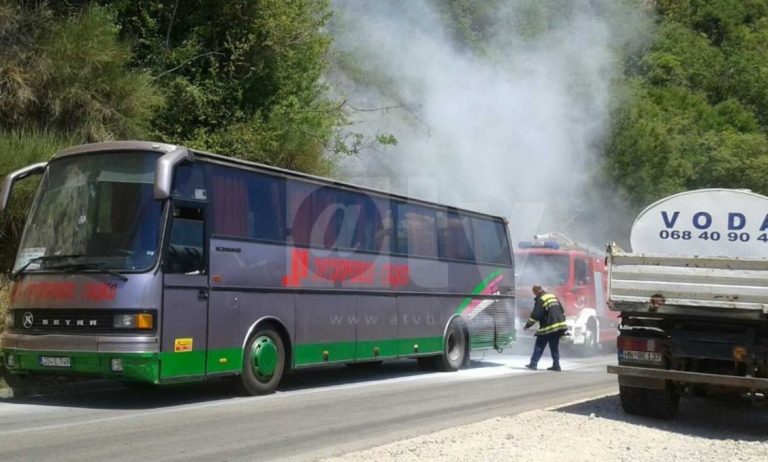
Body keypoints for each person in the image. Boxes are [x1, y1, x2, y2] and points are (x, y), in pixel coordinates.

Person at [524, 285, 568, 371]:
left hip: (548, 326)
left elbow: (535, 315)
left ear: (536, 292)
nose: (534, 295)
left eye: (534, 293)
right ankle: (556, 365)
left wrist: (527, 325)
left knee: (539, 345)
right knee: (554, 347)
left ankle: (533, 364)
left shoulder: (541, 299)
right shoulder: (552, 296)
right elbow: (562, 310)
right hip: (558, 326)